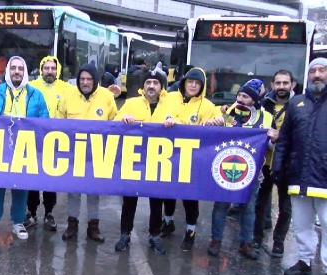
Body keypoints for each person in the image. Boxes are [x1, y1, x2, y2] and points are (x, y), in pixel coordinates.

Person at [0, 56, 49, 240]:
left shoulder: (36, 94)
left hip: (25, 147)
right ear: (8, 71)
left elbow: (45, 119)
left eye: (20, 68)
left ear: (25, 72)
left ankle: (18, 222)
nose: (16, 71)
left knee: (21, 185)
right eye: (13, 68)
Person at [274, 58, 327, 275]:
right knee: (302, 225)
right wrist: (279, 168)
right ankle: (304, 262)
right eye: (313, 71)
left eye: (322, 70)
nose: (317, 75)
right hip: (298, 176)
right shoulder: (296, 103)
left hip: (324, 178)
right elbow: (284, 140)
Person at [208, 79, 277, 260]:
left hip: (251, 172)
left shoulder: (266, 117)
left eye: (245, 96)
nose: (240, 99)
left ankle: (246, 243)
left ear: (254, 99)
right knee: (221, 205)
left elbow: (270, 146)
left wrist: (273, 138)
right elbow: (212, 136)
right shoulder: (228, 113)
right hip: (224, 168)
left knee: (248, 208)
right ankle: (216, 241)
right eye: (239, 95)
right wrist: (213, 124)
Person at [114, 69, 176, 254]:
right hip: (134, 160)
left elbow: (181, 122)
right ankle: (125, 234)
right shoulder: (131, 103)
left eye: (155, 83)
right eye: (148, 82)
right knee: (129, 200)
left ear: (161, 86)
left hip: (158, 161)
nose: (151, 86)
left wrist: (174, 121)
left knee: (156, 200)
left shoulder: (170, 104)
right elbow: (115, 121)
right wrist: (123, 119)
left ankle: (154, 235)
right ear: (143, 86)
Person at [162, 67, 223, 250]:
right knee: (168, 192)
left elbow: (224, 120)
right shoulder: (170, 97)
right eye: (190, 82)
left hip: (194, 159)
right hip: (170, 155)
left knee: (190, 196)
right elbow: (154, 98)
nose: (193, 86)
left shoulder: (208, 106)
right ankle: (168, 221)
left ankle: (190, 231)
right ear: (184, 83)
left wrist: (219, 121)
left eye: (197, 83)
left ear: (202, 86)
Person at [58, 63, 117, 243]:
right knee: (73, 191)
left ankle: (93, 227)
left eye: (89, 79)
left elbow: (116, 122)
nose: (85, 82)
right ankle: (72, 225)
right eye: (82, 79)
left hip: (97, 154)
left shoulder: (107, 97)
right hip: (73, 154)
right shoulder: (68, 96)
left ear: (95, 80)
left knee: (93, 192)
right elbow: (58, 123)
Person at [24, 56, 73, 232]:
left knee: (51, 180)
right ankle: (31, 212)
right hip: (34, 140)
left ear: (57, 70)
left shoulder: (67, 89)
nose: (50, 71)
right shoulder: (31, 87)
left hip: (56, 141)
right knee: (32, 179)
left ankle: (49, 213)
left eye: (53, 68)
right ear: (41, 69)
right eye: (47, 68)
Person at [253, 70, 295, 257]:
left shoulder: (300, 105)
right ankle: (257, 238)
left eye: (285, 83)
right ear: (272, 85)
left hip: (287, 164)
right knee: (260, 203)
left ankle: (278, 243)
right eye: (278, 83)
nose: (281, 87)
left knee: (286, 207)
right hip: (265, 162)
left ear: (292, 85)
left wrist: (281, 136)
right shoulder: (263, 105)